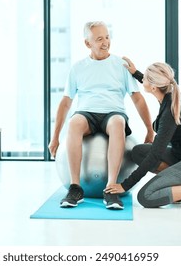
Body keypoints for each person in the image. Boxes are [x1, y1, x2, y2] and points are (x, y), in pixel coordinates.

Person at [48, 21, 155, 210]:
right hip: (86, 113)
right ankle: (75, 188)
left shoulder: (121, 66)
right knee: (74, 122)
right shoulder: (78, 68)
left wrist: (149, 129)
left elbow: (137, 99)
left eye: (107, 37)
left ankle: (111, 189)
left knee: (117, 122)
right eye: (99, 39)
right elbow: (66, 103)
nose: (105, 42)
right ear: (87, 43)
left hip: (112, 112)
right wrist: (55, 137)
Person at [104, 59, 181, 209]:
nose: (142, 79)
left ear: (154, 87)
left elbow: (155, 155)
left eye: (145, 78)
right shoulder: (169, 92)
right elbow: (152, 82)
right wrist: (135, 73)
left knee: (146, 197)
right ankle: (179, 188)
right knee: (138, 151)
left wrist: (125, 185)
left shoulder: (170, 112)